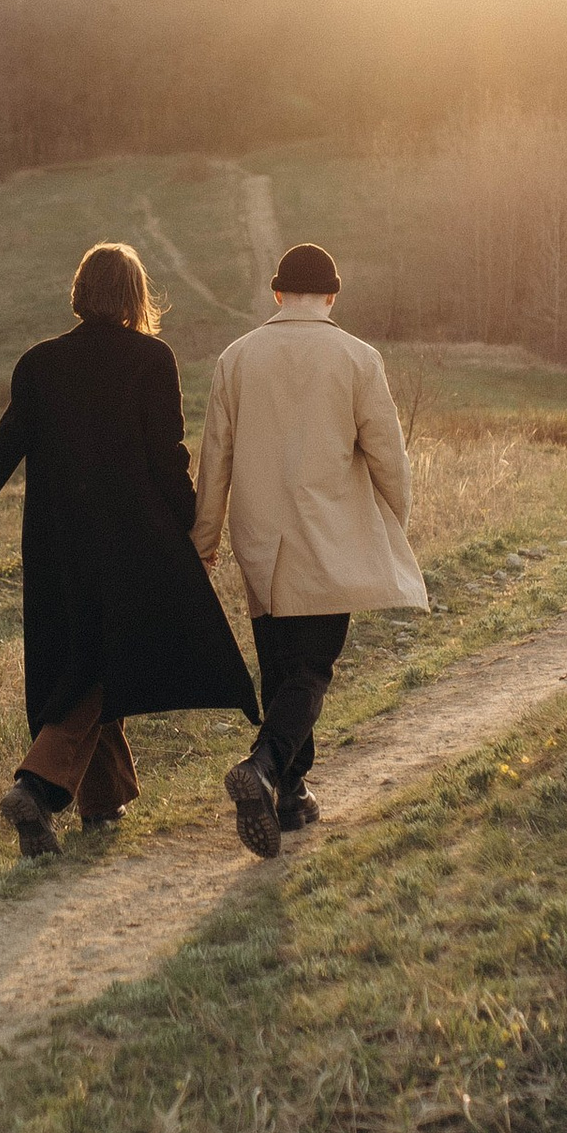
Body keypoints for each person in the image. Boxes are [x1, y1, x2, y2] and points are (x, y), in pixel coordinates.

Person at [0, 241, 258, 858]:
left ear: (80, 293)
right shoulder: (152, 358)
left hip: (57, 546)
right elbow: (167, 459)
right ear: (136, 295)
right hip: (133, 541)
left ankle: (104, 803)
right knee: (100, 661)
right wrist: (196, 535)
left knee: (89, 654)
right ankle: (36, 786)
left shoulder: (39, 363)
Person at [192, 239, 426, 856]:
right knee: (313, 670)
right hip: (331, 534)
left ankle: (290, 797)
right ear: (331, 296)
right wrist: (391, 522)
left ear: (276, 294)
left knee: (281, 668)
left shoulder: (235, 359)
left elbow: (215, 457)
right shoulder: (357, 358)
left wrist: (205, 539)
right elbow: (387, 454)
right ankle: (265, 766)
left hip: (260, 539)